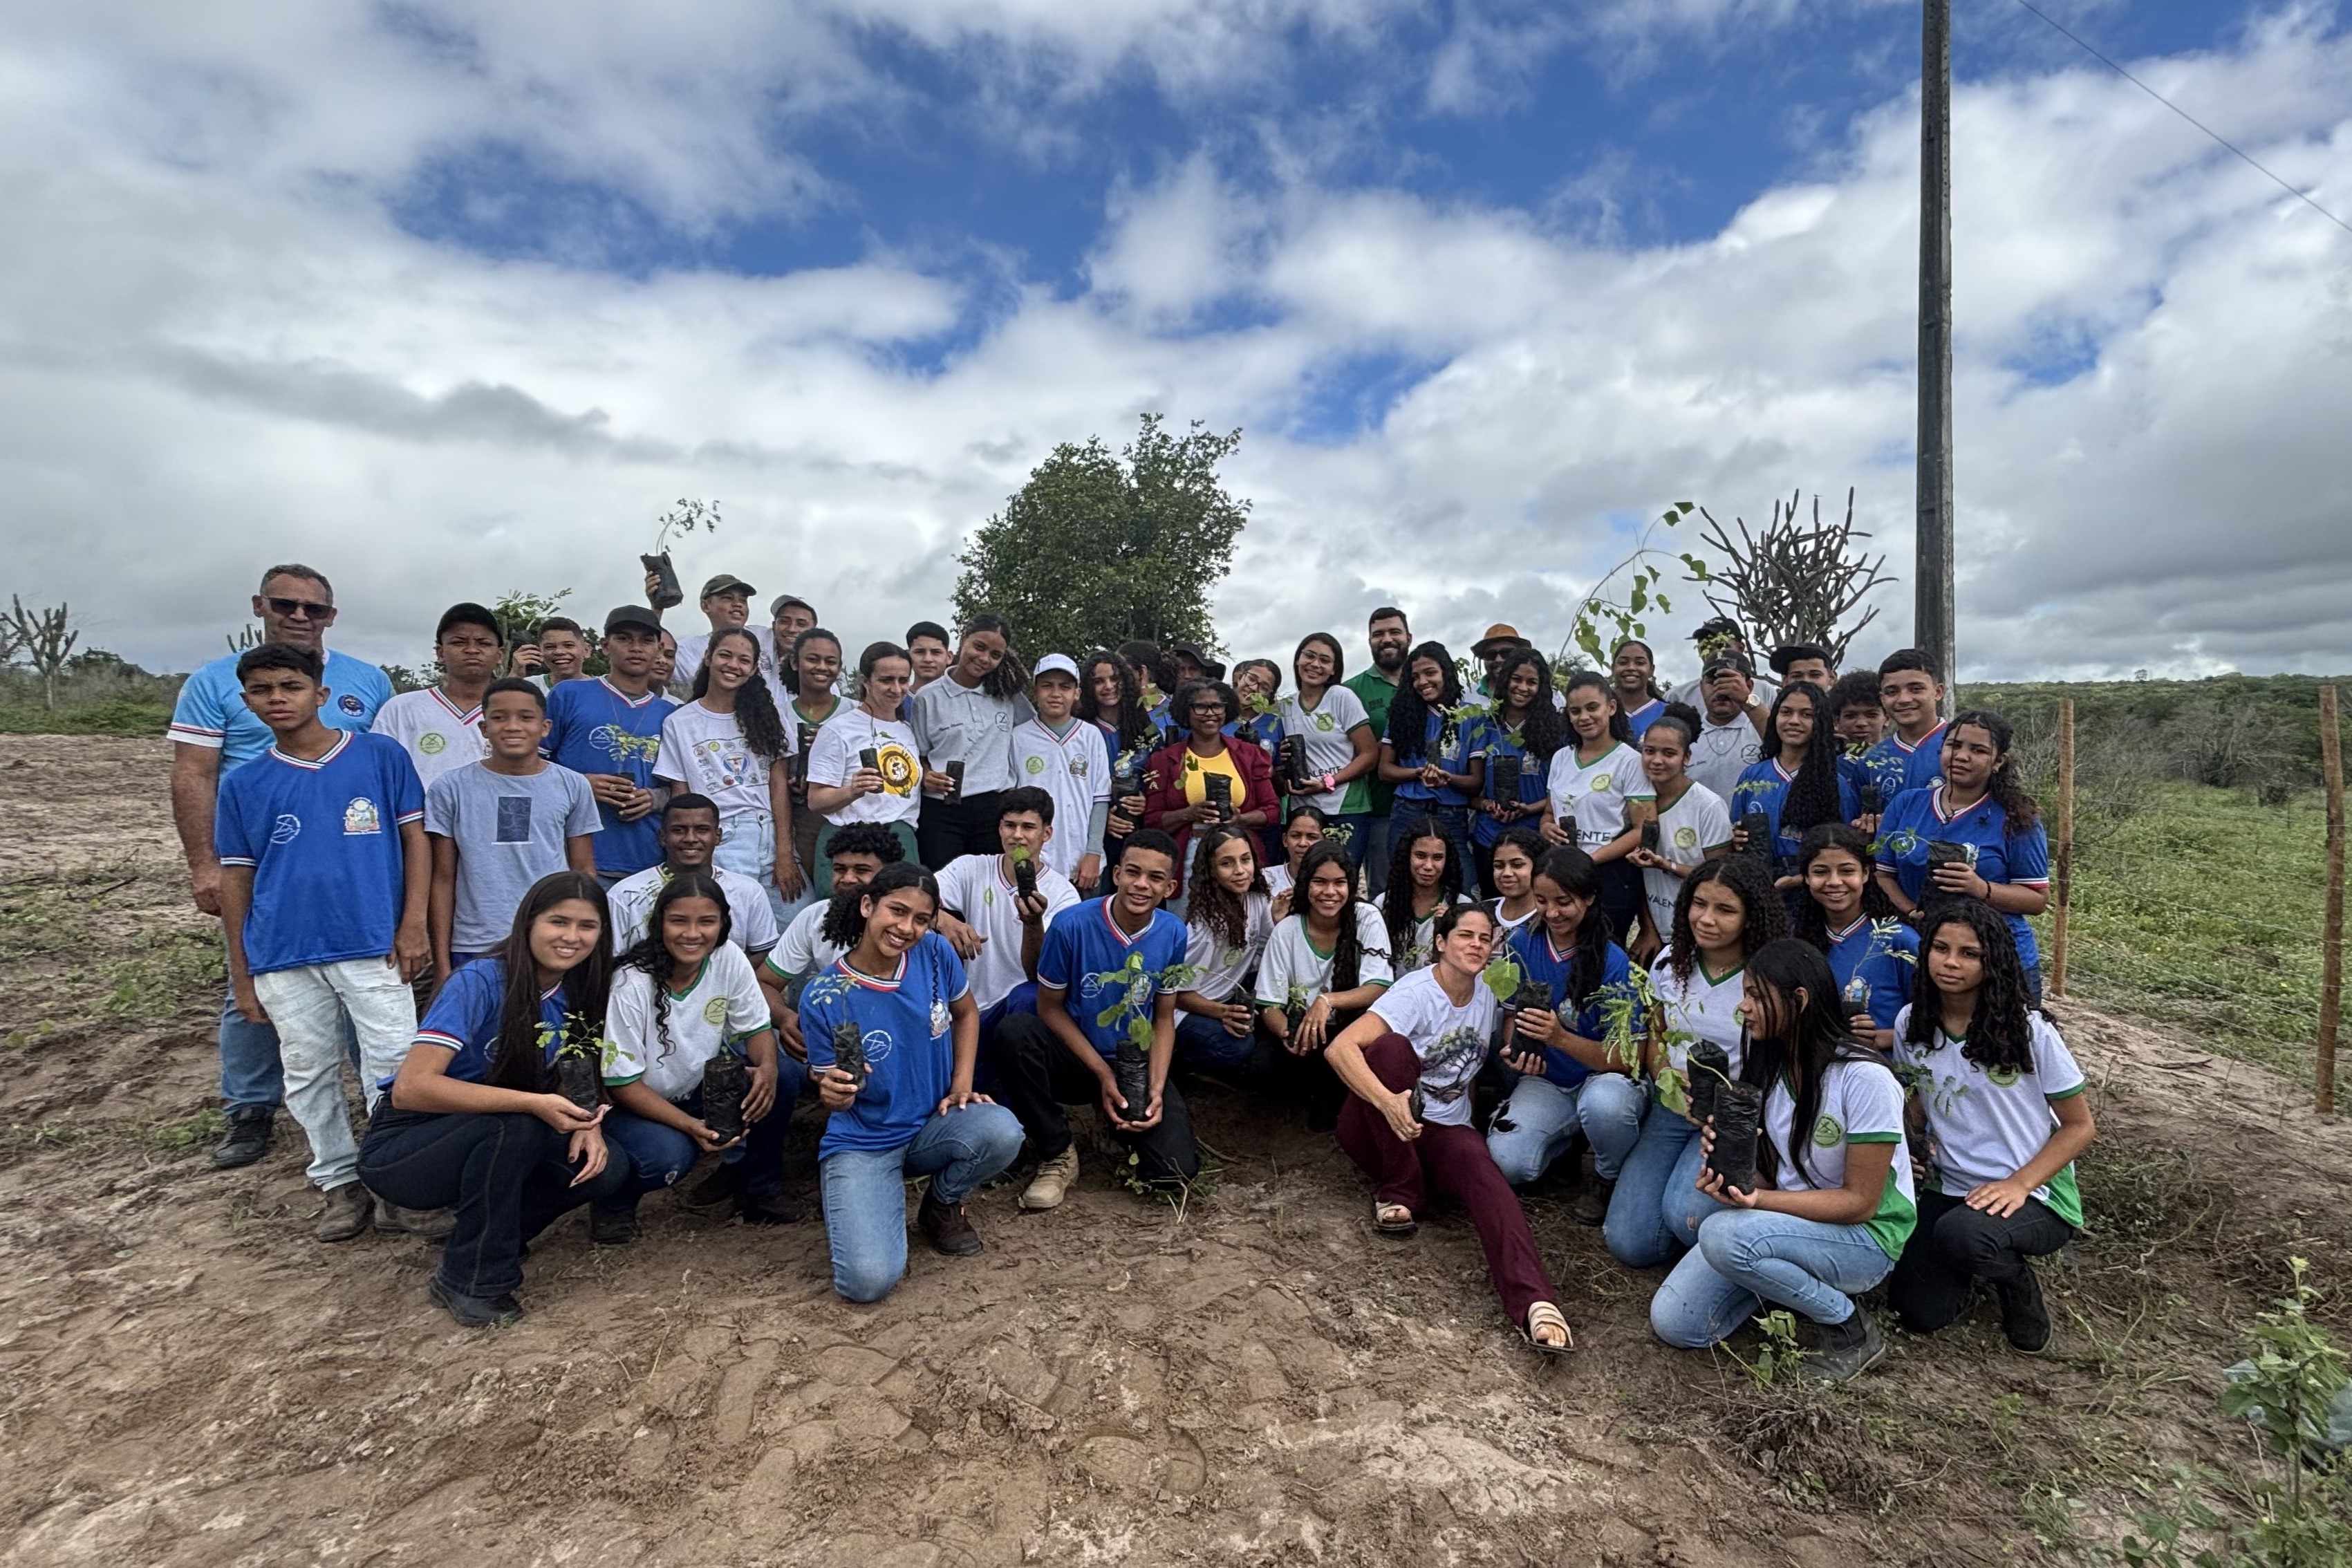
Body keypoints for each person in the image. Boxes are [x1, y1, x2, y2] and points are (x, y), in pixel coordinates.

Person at [170, 563, 393, 1170]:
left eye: (312, 608)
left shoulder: (367, 682)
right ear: (259, 605)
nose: (299, 616)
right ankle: (249, 1108)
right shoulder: (216, 682)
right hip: (263, 856)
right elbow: (194, 772)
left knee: (364, 1007)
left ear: (331, 616)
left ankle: (383, 1139)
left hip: (351, 866)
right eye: (285, 604)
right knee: (258, 984)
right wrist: (204, 864)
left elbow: (383, 780)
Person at [214, 644, 427, 1241]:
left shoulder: (380, 757)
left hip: (371, 941)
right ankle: (338, 1181)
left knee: (394, 1065)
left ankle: (396, 1181)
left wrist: (413, 923)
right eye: (262, 690)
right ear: (248, 701)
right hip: (283, 951)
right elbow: (237, 877)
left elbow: (417, 844)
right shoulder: (244, 784)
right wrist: (242, 969)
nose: (277, 699)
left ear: (321, 694)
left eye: (290, 686)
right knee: (308, 1070)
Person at [360, 872, 628, 1327]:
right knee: (516, 1123)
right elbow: (412, 1088)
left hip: (502, 1130)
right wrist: (530, 1102)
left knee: (607, 1169)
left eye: (587, 926)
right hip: (407, 1147)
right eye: (558, 922)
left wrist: (588, 1122)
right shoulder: (481, 980)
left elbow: (570, 1071)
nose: (571, 937)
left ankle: (492, 1233)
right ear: (528, 923)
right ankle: (472, 1278)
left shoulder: (581, 990)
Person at [1648, 940, 1916, 1382]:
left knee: (1721, 1234)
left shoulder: (1865, 1079)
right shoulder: (1769, 1068)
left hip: (1864, 1238)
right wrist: (1729, 1166)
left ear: (1800, 1001)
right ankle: (1784, 1281)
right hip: (1794, 1223)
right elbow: (1772, 1175)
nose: (1744, 1007)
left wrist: (1757, 1201)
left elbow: (1861, 1203)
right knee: (1677, 1323)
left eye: (1756, 995)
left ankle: (1849, 1327)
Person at [1325, 905, 1573, 1354]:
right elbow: (1341, 1049)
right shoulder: (1415, 991)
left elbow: (1469, 1073)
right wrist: (1387, 1101)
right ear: (1441, 942)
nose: (1476, 945)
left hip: (1440, 1131)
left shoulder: (1489, 995)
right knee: (1389, 1049)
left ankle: (1534, 1301)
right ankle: (1400, 1190)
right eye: (1465, 935)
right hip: (1376, 1125)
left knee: (1481, 1166)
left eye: (1484, 938)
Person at [796, 863, 1026, 1301]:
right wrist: (832, 1092)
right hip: (865, 1141)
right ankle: (867, 1195)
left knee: (1001, 1130)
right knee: (867, 1282)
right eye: (896, 912)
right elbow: (834, 1089)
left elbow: (965, 1013)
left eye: (921, 919)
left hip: (931, 1126)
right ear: (868, 906)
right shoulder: (824, 996)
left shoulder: (936, 954)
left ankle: (941, 1204)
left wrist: (962, 1083)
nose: (907, 928)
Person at [1889, 902, 2094, 1352]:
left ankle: (2016, 1286)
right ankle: (1971, 1258)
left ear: (1993, 960)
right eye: (1940, 948)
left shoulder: (2029, 1030)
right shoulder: (1911, 1023)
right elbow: (1923, 1093)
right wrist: (1910, 1141)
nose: (1950, 962)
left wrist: (2020, 1184)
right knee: (1917, 1312)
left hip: (2034, 1194)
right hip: (1951, 1186)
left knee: (1964, 1235)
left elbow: (2079, 1126)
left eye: (1969, 953)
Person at [990, 832, 1200, 1207]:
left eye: (1155, 878)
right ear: (1116, 874)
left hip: (1132, 1061)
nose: (1141, 885)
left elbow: (1164, 1016)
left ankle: (1120, 1124)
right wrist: (1103, 1075)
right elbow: (1049, 1007)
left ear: (1170, 887)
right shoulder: (1071, 925)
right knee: (1015, 1032)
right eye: (1133, 872)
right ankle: (1057, 1151)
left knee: (1171, 1172)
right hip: (1077, 1058)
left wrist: (1155, 1086)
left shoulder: (1173, 932)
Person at [1604, 855, 1785, 1269]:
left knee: (1686, 1219)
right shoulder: (1670, 962)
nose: (1706, 919)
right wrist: (1665, 1073)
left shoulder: (1767, 976)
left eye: (1725, 910)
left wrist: (1729, 1106)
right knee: (1629, 1244)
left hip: (1732, 1119)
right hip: (1673, 1107)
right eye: (1698, 904)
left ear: (1751, 917)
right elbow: (1656, 1032)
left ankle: (1709, 1240)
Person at [597, 871, 798, 1235]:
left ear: (723, 925)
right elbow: (621, 1081)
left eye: (707, 921)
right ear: (659, 924)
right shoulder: (631, 980)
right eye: (678, 921)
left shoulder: (728, 956)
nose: (692, 933)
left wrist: (767, 1068)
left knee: (783, 1076)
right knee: (669, 1156)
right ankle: (614, 1201)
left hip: (699, 1087)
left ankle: (758, 1189)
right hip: (637, 1103)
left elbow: (755, 1027)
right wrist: (690, 1126)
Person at [1484, 848, 1645, 1224]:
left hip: (1602, 1079)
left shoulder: (1614, 961)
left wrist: (1559, 1038)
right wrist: (1514, 1046)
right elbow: (1512, 1015)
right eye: (1541, 901)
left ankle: (1608, 1175)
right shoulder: (1523, 943)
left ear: (1589, 899)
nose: (1552, 912)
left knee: (1606, 1105)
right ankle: (1566, 1145)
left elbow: (1627, 1059)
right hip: (1548, 1080)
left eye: (1564, 902)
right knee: (1509, 1164)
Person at [424, 678, 601, 980]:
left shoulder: (573, 785)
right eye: (499, 717)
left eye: (525, 717)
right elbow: (443, 877)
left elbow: (583, 871)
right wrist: (442, 964)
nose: (512, 726)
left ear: (545, 728)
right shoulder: (450, 788)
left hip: (551, 939)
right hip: (477, 942)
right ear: (484, 728)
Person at [1874, 710, 2053, 1002]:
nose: (1962, 756)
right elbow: (1883, 875)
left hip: (2000, 958)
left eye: (1978, 750)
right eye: (1954, 746)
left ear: (1998, 762)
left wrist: (1980, 889)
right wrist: (1912, 913)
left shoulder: (2016, 818)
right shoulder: (1907, 804)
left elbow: (2036, 899)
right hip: (1928, 952)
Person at [655, 626, 801, 920]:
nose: (733, 665)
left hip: (770, 832)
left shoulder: (769, 716)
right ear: (708, 657)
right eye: (725, 655)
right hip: (722, 837)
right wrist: (691, 852)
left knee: (794, 923)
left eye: (744, 660)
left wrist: (785, 852)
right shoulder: (680, 722)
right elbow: (681, 793)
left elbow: (778, 785)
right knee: (732, 929)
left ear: (753, 669)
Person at [1256, 838, 1394, 1128]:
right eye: (1320, 882)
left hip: (1351, 1027)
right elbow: (1269, 1003)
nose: (1330, 892)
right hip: (1306, 1031)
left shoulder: (1366, 917)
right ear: (1306, 884)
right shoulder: (1289, 930)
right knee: (1262, 1064)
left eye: (1339, 883)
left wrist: (1328, 1000)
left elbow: (1378, 985)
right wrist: (1289, 1034)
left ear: (1350, 885)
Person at [543, 606, 675, 886]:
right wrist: (580, 784)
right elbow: (526, 768)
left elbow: (684, 786)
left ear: (658, 648)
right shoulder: (569, 694)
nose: (636, 648)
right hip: (577, 858)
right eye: (624, 639)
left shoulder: (671, 714)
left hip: (649, 861)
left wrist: (654, 799)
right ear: (605, 646)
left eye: (646, 641)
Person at [758, 821, 906, 1058]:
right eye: (839, 869)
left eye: (861, 870)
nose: (847, 879)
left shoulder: (906, 925)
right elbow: (765, 983)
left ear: (887, 875)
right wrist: (785, 1018)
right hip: (832, 1039)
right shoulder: (815, 917)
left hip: (897, 1041)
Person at [934, 787, 1082, 1020]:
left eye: (1028, 827)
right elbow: (914, 896)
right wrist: (943, 920)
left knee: (1024, 1001)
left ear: (1047, 833)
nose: (1017, 835)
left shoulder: (1064, 894)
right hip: (975, 1007)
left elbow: (1041, 974)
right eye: (1010, 825)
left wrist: (1033, 925)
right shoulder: (971, 868)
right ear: (1000, 828)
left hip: (1026, 1011)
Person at [602, 792, 786, 964]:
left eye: (702, 830)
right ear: (663, 837)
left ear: (718, 836)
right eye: (679, 830)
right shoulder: (624, 894)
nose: (691, 838)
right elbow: (614, 960)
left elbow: (763, 953)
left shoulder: (748, 891)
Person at [909, 615, 1034, 867]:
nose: (985, 658)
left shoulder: (1007, 694)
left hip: (994, 808)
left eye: (996, 655)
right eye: (979, 647)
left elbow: (1036, 729)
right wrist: (926, 775)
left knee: (990, 886)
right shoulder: (927, 697)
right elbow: (919, 753)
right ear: (964, 639)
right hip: (942, 811)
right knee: (943, 888)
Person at [1542, 671, 1652, 945]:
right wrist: (1546, 828)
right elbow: (1548, 813)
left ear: (1611, 707)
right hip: (1563, 873)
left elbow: (1644, 829)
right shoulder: (1561, 758)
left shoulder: (1630, 761)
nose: (1584, 717)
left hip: (1611, 876)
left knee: (1603, 953)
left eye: (1593, 708)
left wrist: (1591, 859)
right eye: (1575, 711)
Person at [804, 642, 923, 888]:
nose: (896, 689)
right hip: (850, 843)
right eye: (886, 680)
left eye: (903, 680)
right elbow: (815, 801)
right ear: (865, 681)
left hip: (899, 838)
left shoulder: (907, 731)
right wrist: (852, 791)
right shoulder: (838, 730)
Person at [1794, 823, 1917, 1050]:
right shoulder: (1797, 941)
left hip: (1885, 1072)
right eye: (1821, 872)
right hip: (1817, 1071)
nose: (1834, 882)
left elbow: (1939, 1018)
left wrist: (1882, 1038)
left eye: (1847, 871)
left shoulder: (1898, 939)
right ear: (1806, 877)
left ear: (1866, 873)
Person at [1625, 704, 1733, 964]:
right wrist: (1648, 929)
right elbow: (1639, 878)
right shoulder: (1637, 802)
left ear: (1687, 757)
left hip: (1698, 931)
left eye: (1669, 753)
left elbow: (1719, 876)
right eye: (1649, 751)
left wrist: (1667, 865)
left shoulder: (1708, 805)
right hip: (1656, 929)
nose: (1657, 760)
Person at [1170, 825, 1276, 1079]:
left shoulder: (1257, 901)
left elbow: (1265, 953)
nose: (1240, 871)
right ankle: (1180, 1062)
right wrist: (1223, 1014)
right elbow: (1176, 994)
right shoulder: (1205, 925)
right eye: (1227, 864)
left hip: (1230, 994)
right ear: (1212, 871)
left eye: (1246, 860)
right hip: (1191, 1009)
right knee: (1237, 1048)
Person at [1143, 680, 1278, 878]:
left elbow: (1272, 811)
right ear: (1185, 712)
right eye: (1200, 707)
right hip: (1189, 857)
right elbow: (1152, 819)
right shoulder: (1164, 761)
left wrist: (1240, 819)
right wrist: (1189, 814)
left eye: (1217, 706)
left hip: (1238, 855)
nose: (1210, 713)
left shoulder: (1250, 755)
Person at [1379, 642, 1482, 881]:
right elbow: (1385, 770)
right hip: (1407, 810)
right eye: (1415, 677)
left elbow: (1476, 782)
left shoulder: (1471, 717)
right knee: (1402, 883)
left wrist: (1448, 779)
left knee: (1464, 885)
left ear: (1446, 672)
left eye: (1430, 673)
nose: (1422, 682)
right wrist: (1417, 773)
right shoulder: (1403, 716)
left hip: (1452, 814)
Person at [1728, 682, 1857, 872]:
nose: (1794, 721)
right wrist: (1736, 837)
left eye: (1807, 715)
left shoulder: (1834, 783)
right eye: (1786, 712)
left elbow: (1849, 847)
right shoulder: (1752, 775)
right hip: (1759, 879)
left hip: (1810, 884)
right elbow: (1734, 828)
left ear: (1820, 723)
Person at [371, 603, 502, 789]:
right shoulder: (401, 708)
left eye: (484, 643)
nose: (472, 650)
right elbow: (377, 772)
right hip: (420, 817)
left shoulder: (517, 712)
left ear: (499, 655)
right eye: (459, 642)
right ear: (440, 653)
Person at [1009, 654, 1110, 893]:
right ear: (1035, 692)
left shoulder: (1090, 735)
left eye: (1065, 687)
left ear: (1077, 693)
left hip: (1082, 863)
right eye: (1047, 686)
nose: (1056, 693)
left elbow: (1101, 798)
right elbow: (1011, 805)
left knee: (1081, 927)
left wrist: (1093, 853)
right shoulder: (1019, 737)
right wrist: (1020, 855)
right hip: (1035, 859)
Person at [1279, 633, 1380, 868]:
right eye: (1309, 656)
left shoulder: (1341, 696)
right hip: (1303, 811)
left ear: (1334, 669)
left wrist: (1328, 782)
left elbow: (1370, 753)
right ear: (1297, 660)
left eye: (1325, 660)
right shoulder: (1285, 706)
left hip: (1345, 807)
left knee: (1341, 879)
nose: (1315, 664)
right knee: (1304, 880)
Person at [1468, 648, 1560, 896]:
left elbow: (1563, 792)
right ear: (1506, 679)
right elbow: (1471, 792)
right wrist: (1488, 805)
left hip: (1536, 839)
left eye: (1532, 682)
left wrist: (1530, 809)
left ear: (1541, 687)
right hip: (1490, 840)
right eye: (1517, 679)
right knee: (1494, 911)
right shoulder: (1485, 727)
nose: (1523, 688)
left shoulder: (1556, 731)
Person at [777, 626, 847, 895]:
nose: (822, 667)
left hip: (842, 819)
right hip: (797, 819)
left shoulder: (853, 712)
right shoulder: (779, 715)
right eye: (812, 659)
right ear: (795, 662)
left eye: (830, 662)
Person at [1345, 607, 1412, 887]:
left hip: (1432, 806)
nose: (1387, 639)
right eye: (1378, 634)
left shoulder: (1427, 681)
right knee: (1384, 889)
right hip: (1378, 808)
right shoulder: (1352, 690)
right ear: (1369, 641)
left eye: (1394, 632)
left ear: (1408, 637)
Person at [1373, 817, 1470, 974]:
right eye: (1420, 856)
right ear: (1407, 857)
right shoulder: (1384, 903)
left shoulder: (1461, 906)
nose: (1428, 866)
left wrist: (1450, 926)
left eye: (1437, 858)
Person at [1860, 648, 1950, 801]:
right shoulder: (1871, 759)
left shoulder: (1963, 749)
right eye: (1892, 692)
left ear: (1938, 692)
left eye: (1916, 689)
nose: (1904, 699)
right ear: (1882, 699)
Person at [1685, 653, 1767, 805]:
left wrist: (1747, 700)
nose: (1721, 690)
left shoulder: (1761, 727)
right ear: (1701, 687)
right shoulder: (1684, 735)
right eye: (1712, 681)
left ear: (1748, 686)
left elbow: (1782, 745)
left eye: (1730, 681)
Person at [669, 573, 765, 691]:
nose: (738, 604)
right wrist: (657, 609)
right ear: (706, 606)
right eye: (727, 598)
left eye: (743, 600)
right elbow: (651, 660)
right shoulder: (686, 650)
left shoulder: (765, 636)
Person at [1668, 617, 1776, 716]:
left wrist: (1748, 700)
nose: (1715, 654)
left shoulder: (1764, 691)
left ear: (1741, 648)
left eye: (1722, 646)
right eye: (1706, 648)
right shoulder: (1679, 696)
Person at [1829, 670, 1889, 828]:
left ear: (1887, 718)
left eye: (1871, 714)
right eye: (1851, 716)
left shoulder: (1902, 761)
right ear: (1837, 721)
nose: (1861, 723)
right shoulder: (1831, 767)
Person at [1482, 828, 1543, 939]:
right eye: (1499, 866)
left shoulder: (1548, 918)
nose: (1507, 873)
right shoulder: (1480, 912)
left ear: (1538, 866)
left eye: (1517, 865)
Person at [1227, 657, 1286, 760]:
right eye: (1251, 679)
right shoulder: (1218, 718)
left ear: (1270, 696)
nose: (1254, 688)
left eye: (1264, 687)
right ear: (1240, 678)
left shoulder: (1277, 725)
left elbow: (1281, 769)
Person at [1611, 638, 1669, 740]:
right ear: (1613, 669)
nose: (1631, 668)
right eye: (1623, 662)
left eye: (1640, 663)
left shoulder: (1668, 713)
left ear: (1651, 670)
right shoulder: (1600, 711)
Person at [516, 616, 591, 692]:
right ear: (540, 652)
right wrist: (516, 674)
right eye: (550, 647)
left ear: (586, 650)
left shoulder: (601, 687)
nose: (559, 652)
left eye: (568, 645)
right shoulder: (528, 686)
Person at [1468, 624, 1529, 701]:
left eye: (1507, 653)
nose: (1498, 659)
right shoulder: (1466, 697)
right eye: (1491, 655)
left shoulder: (1536, 696)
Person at [905, 621, 954, 693]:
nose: (928, 659)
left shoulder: (962, 700)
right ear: (908, 656)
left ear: (949, 657)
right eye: (920, 652)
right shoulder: (895, 701)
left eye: (936, 652)